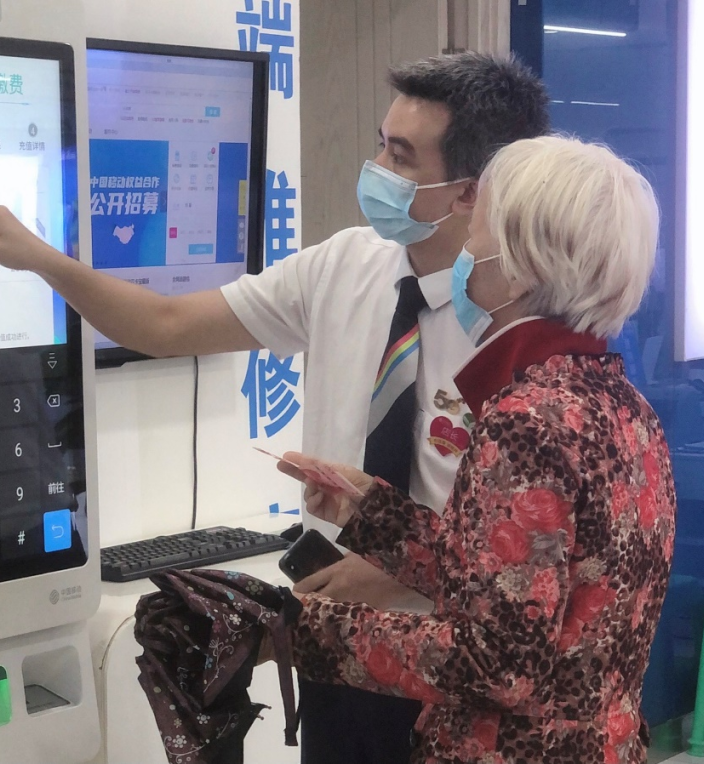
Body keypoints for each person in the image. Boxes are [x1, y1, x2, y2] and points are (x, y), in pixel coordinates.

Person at [0, 52, 549, 764]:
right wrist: (41, 258)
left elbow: (536, 555)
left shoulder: (521, 321)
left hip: (448, 664)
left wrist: (401, 573)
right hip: (332, 638)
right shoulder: (345, 265)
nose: (377, 167)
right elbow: (166, 325)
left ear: (470, 192)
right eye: (381, 143)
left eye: (401, 156)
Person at [276, 135, 676, 764]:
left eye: (477, 232)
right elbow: (522, 584)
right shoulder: (624, 407)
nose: (466, 251)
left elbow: (498, 662)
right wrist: (371, 512)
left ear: (522, 264)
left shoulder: (526, 423)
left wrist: (298, 628)